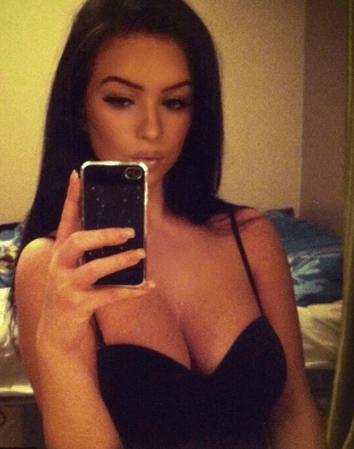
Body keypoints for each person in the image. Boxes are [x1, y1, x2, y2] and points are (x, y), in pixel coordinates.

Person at [10, 0, 327, 448]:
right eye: (121, 100)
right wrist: (58, 346)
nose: (152, 130)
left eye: (175, 102)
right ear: (79, 109)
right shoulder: (50, 267)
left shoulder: (251, 235)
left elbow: (295, 411)